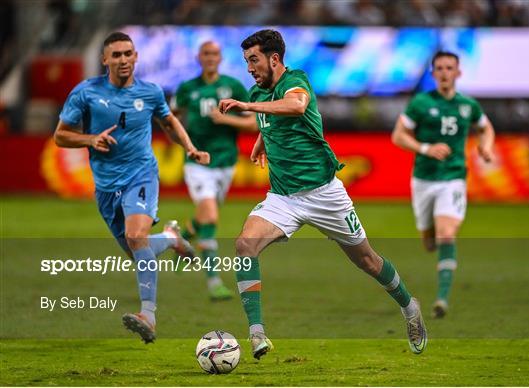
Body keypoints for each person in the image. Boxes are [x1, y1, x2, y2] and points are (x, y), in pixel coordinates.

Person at [219, 29, 427, 359]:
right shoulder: (261, 90)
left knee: (368, 261)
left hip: (325, 195)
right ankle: (257, 334)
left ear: (274, 59)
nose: (249, 67)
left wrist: (245, 105)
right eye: (246, 61)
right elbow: (268, 119)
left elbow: (297, 106)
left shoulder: (295, 81)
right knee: (245, 243)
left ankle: (409, 305)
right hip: (284, 197)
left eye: (254, 60)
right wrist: (261, 141)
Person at [54, 31, 210, 343]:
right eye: (116, 55)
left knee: (136, 237)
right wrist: (89, 139)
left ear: (136, 56)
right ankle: (169, 238)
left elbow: (169, 123)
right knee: (138, 249)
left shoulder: (151, 92)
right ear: (104, 60)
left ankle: (147, 316)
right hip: (105, 186)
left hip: (141, 175)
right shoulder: (86, 93)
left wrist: (190, 147)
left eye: (128, 54)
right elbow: (61, 135)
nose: (123, 60)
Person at [392, 51, 495, 318]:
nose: (445, 72)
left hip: (453, 178)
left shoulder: (468, 105)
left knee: (446, 234)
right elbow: (398, 135)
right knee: (429, 240)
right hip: (424, 180)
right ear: (433, 74)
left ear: (458, 72)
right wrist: (425, 147)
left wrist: (486, 148)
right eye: (440, 68)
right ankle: (430, 235)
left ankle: (441, 299)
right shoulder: (421, 103)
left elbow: (486, 128)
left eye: (450, 68)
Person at [174, 41, 257, 301]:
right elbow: (169, 116)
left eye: (215, 54)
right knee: (210, 217)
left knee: (204, 217)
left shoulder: (232, 86)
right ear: (199, 57)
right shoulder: (188, 88)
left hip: (226, 162)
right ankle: (214, 283)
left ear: (220, 58)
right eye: (206, 54)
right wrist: (182, 141)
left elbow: (254, 122)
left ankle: (179, 240)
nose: (210, 58)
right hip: (198, 163)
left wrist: (226, 119)